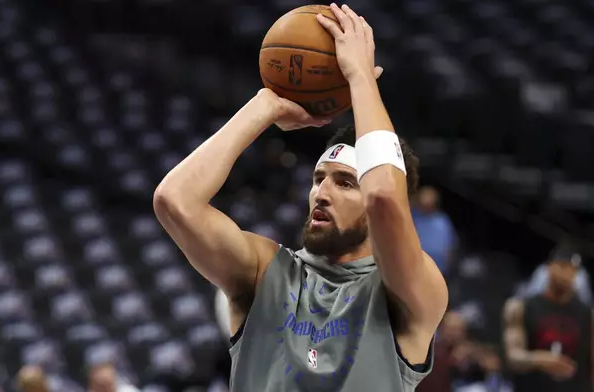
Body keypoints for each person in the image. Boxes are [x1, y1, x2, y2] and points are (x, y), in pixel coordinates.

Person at [153, 4, 448, 391]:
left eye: (345, 183)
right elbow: (174, 200)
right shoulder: (264, 273)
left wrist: (360, 78)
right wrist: (265, 105)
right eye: (318, 178)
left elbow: (385, 202)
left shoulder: (410, 291)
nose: (321, 193)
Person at [503, 242, 592, 392]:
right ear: (549, 267)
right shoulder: (521, 307)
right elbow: (513, 357)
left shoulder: (587, 314)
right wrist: (542, 360)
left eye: (573, 269)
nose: (568, 274)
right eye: (563, 266)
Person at [411, 186, 457, 274]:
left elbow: (451, 246)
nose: (427, 205)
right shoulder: (411, 218)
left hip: (439, 270)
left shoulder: (442, 220)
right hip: (415, 268)